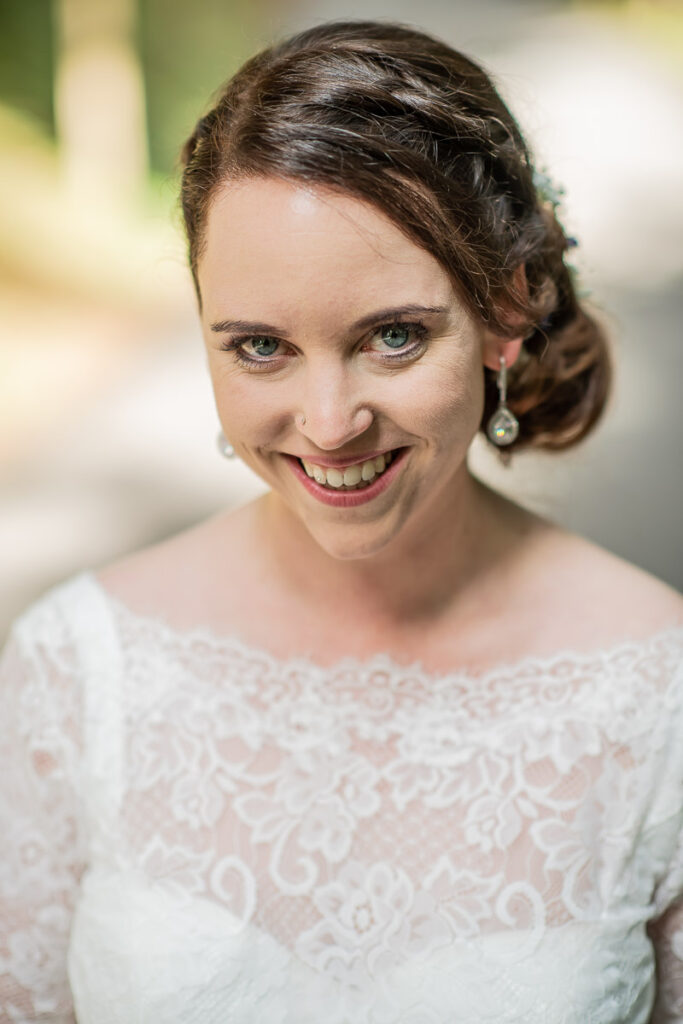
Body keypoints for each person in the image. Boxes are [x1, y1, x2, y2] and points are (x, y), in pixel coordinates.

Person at [1, 19, 682, 1024]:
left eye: (392, 337)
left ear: (505, 310)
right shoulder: (75, 667)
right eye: (261, 347)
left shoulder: (658, 694)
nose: (328, 424)